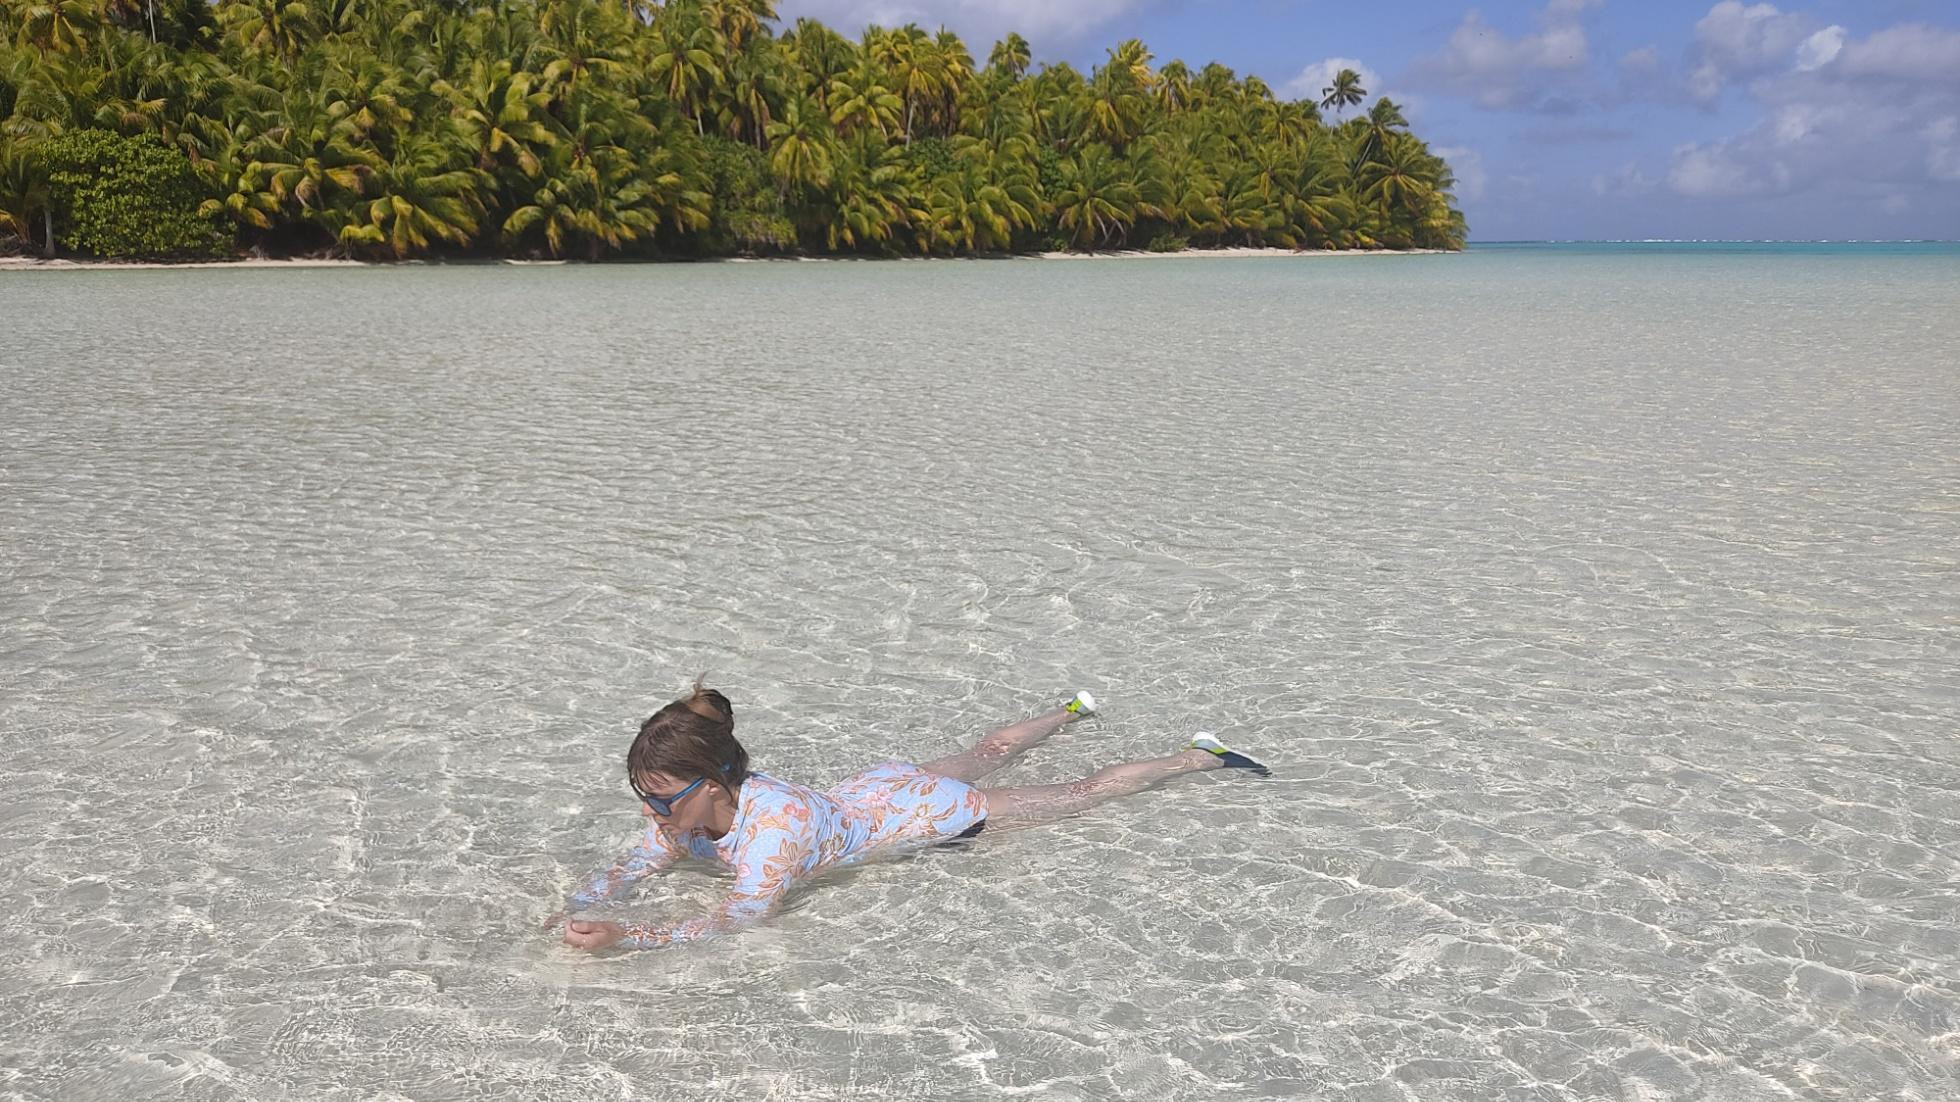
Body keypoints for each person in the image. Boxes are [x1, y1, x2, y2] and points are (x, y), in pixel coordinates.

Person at [549, 682, 1272, 951]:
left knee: (1079, 794)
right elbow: (637, 863)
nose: (651, 811)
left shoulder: (773, 835)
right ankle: (1073, 708)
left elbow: (737, 918)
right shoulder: (694, 808)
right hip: (876, 788)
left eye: (661, 798)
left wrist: (630, 936)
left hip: (930, 814)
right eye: (644, 796)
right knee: (986, 749)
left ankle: (1198, 757)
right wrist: (578, 906)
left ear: (713, 785)